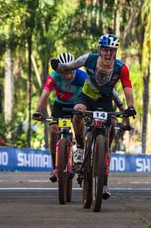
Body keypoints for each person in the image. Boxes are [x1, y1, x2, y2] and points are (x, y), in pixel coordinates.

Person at [50, 34, 136, 200]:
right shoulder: (88, 59)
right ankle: (81, 147)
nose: (108, 54)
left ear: (115, 52)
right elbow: (69, 66)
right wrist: (58, 66)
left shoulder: (121, 68)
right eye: (105, 50)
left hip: (105, 101)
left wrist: (130, 107)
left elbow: (127, 88)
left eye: (112, 50)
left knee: (111, 124)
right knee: (77, 112)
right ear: (100, 50)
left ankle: (104, 183)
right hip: (87, 97)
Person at [33, 52, 88, 182]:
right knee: (53, 130)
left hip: (77, 106)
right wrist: (37, 111)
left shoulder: (82, 77)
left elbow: (89, 95)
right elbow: (44, 95)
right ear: (59, 69)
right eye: (64, 71)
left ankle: (83, 164)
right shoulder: (54, 76)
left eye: (70, 70)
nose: (67, 73)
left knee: (80, 132)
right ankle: (55, 168)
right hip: (60, 107)